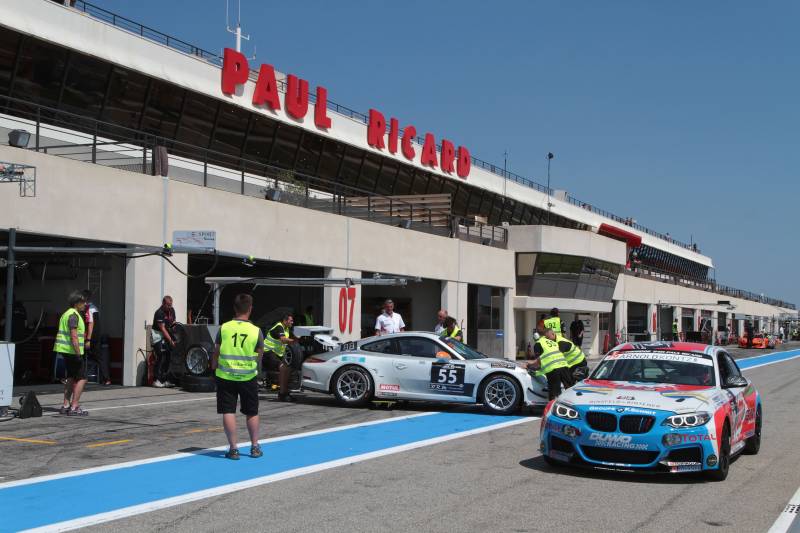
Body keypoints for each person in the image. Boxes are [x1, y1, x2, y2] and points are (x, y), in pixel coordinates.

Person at [211, 293, 264, 460]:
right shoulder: (256, 331)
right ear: (250, 309)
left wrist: (213, 366)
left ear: (234, 309)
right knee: (252, 412)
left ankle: (233, 449)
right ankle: (254, 447)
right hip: (248, 377)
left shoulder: (224, 328)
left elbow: (216, 351)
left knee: (228, 411)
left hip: (226, 376)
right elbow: (259, 356)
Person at [55, 291, 89, 416]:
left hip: (65, 351)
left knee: (70, 376)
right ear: (76, 303)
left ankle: (65, 405)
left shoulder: (66, 314)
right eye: (83, 302)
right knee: (82, 378)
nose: (85, 304)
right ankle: (74, 407)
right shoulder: (73, 315)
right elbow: (74, 336)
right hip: (72, 351)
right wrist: (78, 353)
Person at [522, 329, 574, 400]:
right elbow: (545, 356)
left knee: (554, 393)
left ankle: (552, 409)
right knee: (570, 388)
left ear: (535, 338)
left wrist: (528, 366)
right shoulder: (552, 342)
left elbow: (538, 364)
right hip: (564, 366)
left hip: (553, 369)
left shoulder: (538, 344)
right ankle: (572, 404)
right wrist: (531, 362)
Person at [264, 312, 296, 402]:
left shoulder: (286, 329)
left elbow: (292, 338)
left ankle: (285, 392)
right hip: (268, 352)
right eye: (291, 320)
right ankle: (282, 394)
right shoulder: (279, 327)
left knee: (288, 369)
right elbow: (283, 339)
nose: (292, 322)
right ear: (285, 321)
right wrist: (294, 341)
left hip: (277, 354)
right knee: (283, 368)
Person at [82, 290, 110, 386]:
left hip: (92, 337)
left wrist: (88, 339)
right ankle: (105, 378)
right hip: (96, 335)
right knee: (98, 357)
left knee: (81, 355)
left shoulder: (89, 309)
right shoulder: (94, 308)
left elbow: (91, 324)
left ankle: (78, 377)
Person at [152, 296, 177, 388]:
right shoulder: (159, 313)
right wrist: (170, 340)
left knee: (168, 357)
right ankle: (156, 380)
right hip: (158, 336)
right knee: (161, 356)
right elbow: (162, 329)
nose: (170, 307)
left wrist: (174, 333)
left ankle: (165, 379)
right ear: (163, 303)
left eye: (171, 305)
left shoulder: (172, 310)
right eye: (168, 305)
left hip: (167, 334)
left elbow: (173, 322)